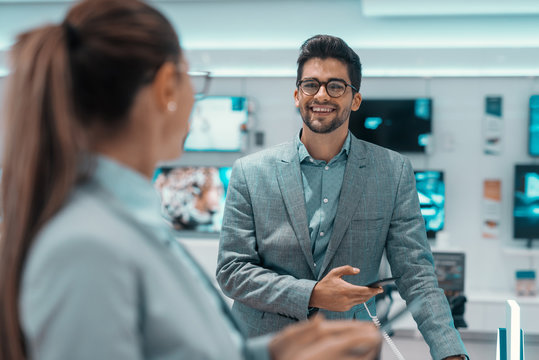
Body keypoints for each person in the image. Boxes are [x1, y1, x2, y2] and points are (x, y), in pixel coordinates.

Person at [0, 3, 383, 360]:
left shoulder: (126, 223)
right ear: (168, 85)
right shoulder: (85, 246)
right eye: (191, 77)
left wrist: (272, 352)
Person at [216, 34, 468, 360]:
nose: (321, 94)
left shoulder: (392, 171)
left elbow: (416, 274)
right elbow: (232, 271)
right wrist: (314, 294)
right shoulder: (250, 173)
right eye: (311, 85)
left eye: (336, 86)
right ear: (296, 95)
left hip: (350, 348)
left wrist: (451, 353)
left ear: (355, 99)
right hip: (265, 347)